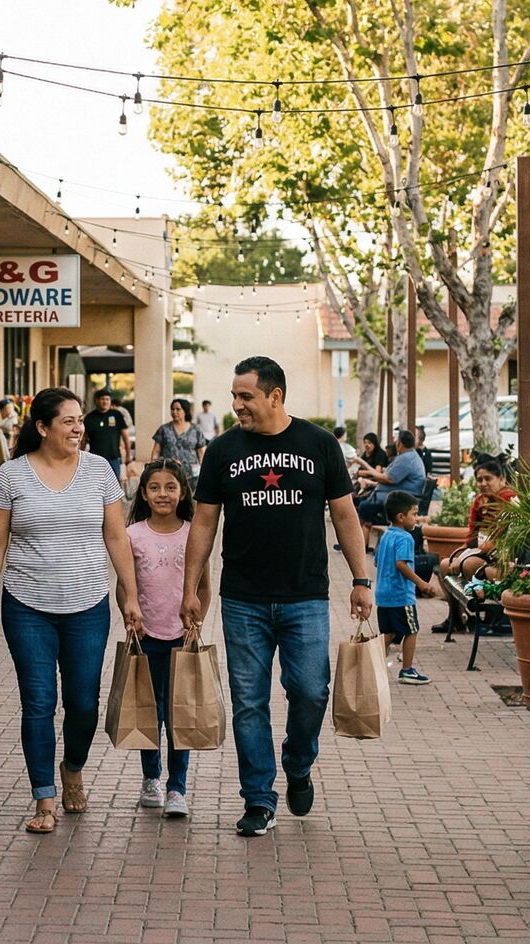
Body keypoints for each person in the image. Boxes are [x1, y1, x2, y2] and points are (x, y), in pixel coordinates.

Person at [183, 356, 373, 838]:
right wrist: (191, 588)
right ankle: (259, 799)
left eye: (245, 396)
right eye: (234, 396)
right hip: (242, 597)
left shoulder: (318, 444)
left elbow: (346, 515)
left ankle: (299, 762)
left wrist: (361, 578)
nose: (236, 405)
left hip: (306, 595)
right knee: (249, 701)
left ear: (275, 395)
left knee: (311, 692)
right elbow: (204, 522)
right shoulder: (222, 451)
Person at [0, 388, 139, 834]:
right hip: (27, 605)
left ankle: (73, 768)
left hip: (88, 603)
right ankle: (44, 797)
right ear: (43, 427)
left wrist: (130, 594)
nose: (78, 428)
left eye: (80, 420)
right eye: (68, 421)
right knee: (38, 702)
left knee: (83, 703)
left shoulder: (99, 470)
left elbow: (117, 537)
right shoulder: (10, 477)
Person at [126, 458, 196, 820]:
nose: (163, 494)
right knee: (148, 711)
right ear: (143, 493)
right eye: (154, 487)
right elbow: (127, 583)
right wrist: (130, 612)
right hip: (146, 636)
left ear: (182, 492)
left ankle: (177, 787)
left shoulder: (193, 532)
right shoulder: (133, 534)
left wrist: (196, 623)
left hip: (181, 636)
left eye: (170, 487)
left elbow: (205, 585)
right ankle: (151, 778)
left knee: (179, 714)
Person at [438, 453, 520, 633]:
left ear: (501, 478)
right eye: (479, 479)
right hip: (482, 551)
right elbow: (472, 534)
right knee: (445, 565)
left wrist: (468, 555)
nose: (483, 483)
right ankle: (456, 618)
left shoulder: (510, 499)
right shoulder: (479, 500)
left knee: (469, 565)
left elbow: (501, 539)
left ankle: (488, 618)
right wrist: (461, 553)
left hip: (503, 557)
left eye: (488, 479)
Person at [374, 490, 442, 687]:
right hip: (401, 595)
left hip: (383, 594)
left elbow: (378, 562)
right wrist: (421, 583)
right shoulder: (405, 538)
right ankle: (407, 670)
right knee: (412, 630)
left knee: (390, 632)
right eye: (414, 514)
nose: (416, 518)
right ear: (401, 517)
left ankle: (372, 664)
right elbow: (401, 564)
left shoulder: (386, 535)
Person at [354, 429, 433, 525]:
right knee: (361, 504)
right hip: (396, 496)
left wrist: (368, 472)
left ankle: (361, 537)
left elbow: (389, 479)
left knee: (364, 507)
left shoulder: (407, 458)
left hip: (400, 500)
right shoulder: (408, 456)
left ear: (399, 443)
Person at [81, 389, 133, 482]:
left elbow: (125, 436)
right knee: (96, 483)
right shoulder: (89, 418)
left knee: (115, 484)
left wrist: (129, 453)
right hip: (95, 459)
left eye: (107, 399)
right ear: (96, 400)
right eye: (102, 399)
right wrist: (80, 455)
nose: (105, 402)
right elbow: (84, 439)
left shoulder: (117, 415)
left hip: (114, 457)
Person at [152, 398, 210, 478]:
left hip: (192, 475)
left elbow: (201, 453)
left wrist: (205, 472)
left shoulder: (196, 430)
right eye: (172, 409)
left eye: (178, 409)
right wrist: (153, 469)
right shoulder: (164, 429)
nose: (174, 412)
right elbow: (156, 451)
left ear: (185, 411)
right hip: (169, 473)